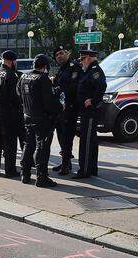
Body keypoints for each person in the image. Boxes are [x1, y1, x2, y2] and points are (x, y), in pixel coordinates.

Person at [18, 54, 63, 187]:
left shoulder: (24, 76)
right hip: (41, 118)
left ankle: (25, 174)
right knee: (42, 147)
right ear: (45, 66)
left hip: (27, 115)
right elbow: (49, 102)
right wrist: (60, 107)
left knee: (28, 145)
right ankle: (41, 177)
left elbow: (18, 94)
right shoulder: (43, 78)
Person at [72, 49, 106, 179]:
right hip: (86, 111)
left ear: (90, 58)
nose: (81, 61)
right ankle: (92, 168)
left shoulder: (95, 70)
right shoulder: (89, 70)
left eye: (83, 59)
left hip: (90, 112)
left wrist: (92, 101)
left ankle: (84, 170)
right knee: (91, 140)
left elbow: (102, 86)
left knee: (86, 141)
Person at [52, 45, 82, 175]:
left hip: (70, 107)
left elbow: (73, 86)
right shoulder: (61, 70)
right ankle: (66, 162)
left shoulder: (74, 67)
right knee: (60, 135)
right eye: (57, 55)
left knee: (67, 136)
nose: (59, 56)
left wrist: (59, 88)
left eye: (61, 53)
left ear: (67, 54)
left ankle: (66, 164)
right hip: (60, 108)